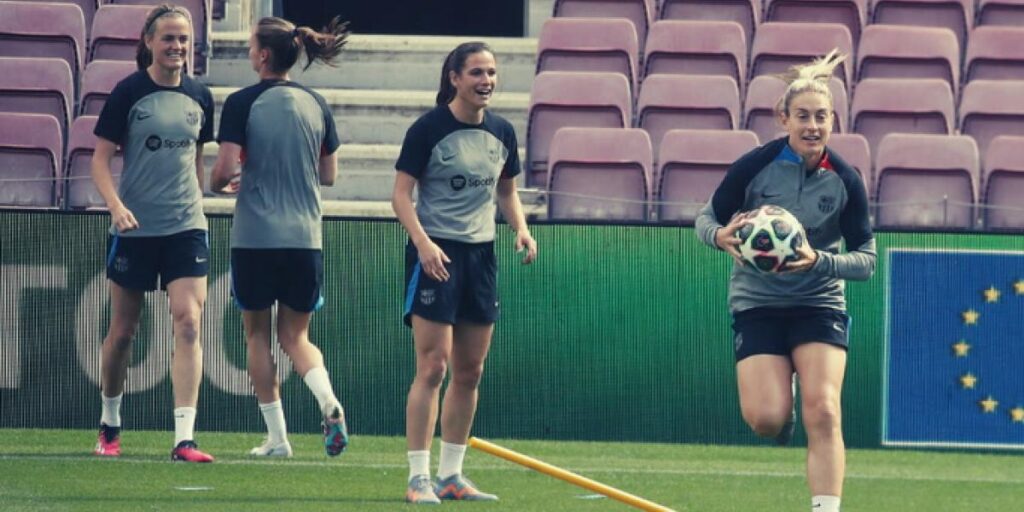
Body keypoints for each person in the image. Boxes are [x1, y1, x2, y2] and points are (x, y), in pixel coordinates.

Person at [694, 50, 875, 512]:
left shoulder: (846, 180)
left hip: (819, 304)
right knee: (767, 420)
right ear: (784, 119)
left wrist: (819, 260)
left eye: (821, 117)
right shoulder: (755, 165)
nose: (812, 126)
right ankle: (783, 399)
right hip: (757, 304)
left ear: (833, 120)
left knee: (826, 410)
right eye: (802, 117)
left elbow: (866, 261)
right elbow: (705, 218)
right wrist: (719, 237)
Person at [393, 41, 538, 504]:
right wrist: (424, 244)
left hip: (482, 258)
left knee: (470, 371)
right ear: (454, 77)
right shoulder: (428, 129)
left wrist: (521, 229)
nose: (486, 81)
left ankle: (451, 475)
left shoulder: (502, 131)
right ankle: (418, 477)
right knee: (433, 367)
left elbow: (506, 190)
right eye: (476, 72)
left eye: (491, 72)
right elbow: (400, 195)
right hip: (437, 256)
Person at [209, 16, 350, 458]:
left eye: (252, 47)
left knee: (257, 336)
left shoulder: (241, 102)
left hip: (255, 236)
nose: (249, 53)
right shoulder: (315, 102)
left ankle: (278, 438)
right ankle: (327, 400)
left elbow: (221, 173)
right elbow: (329, 175)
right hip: (305, 237)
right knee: (297, 337)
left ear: (263, 55)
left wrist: (231, 181)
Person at [91, 3, 215, 462]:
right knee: (123, 332)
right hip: (135, 229)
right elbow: (100, 160)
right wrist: (117, 207)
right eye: (168, 38)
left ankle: (184, 438)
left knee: (188, 320)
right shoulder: (128, 93)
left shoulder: (202, 95)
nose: (177, 46)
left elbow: (197, 160)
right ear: (148, 42)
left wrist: (205, 196)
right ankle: (109, 423)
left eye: (183, 39)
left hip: (186, 227)